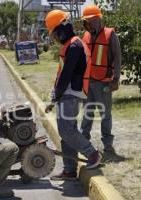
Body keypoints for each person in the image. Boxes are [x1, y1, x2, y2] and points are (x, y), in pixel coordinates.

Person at [44, 10, 102, 180]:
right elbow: (63, 75)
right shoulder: (71, 44)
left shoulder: (75, 46)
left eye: (54, 32)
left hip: (71, 94)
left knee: (66, 130)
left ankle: (92, 154)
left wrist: (54, 98)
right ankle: (69, 170)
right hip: (67, 93)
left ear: (62, 28)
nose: (54, 37)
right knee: (66, 131)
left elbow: (66, 75)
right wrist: (55, 96)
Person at [80, 5, 121, 154]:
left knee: (105, 115)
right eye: (85, 22)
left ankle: (108, 144)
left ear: (97, 20)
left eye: (89, 21)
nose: (87, 25)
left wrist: (115, 80)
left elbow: (117, 58)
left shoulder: (111, 35)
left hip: (104, 82)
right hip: (88, 82)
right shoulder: (85, 36)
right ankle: (83, 142)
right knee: (87, 114)